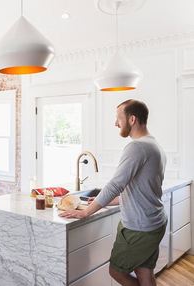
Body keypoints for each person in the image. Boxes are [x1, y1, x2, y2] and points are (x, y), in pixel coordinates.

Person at [60, 99, 167, 286]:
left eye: (118, 118)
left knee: (116, 271)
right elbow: (139, 190)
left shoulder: (137, 147)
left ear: (132, 119)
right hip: (153, 222)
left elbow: (115, 185)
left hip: (138, 228)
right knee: (144, 271)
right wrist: (107, 201)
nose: (115, 123)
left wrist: (86, 211)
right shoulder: (154, 145)